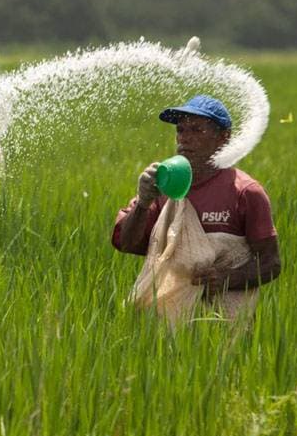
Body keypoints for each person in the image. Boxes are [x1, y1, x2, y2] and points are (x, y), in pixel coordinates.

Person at [112, 95, 280, 305]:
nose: (185, 138)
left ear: (223, 138)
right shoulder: (163, 186)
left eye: (197, 130)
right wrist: (143, 204)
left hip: (225, 316)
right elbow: (127, 244)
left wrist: (226, 278)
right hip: (167, 316)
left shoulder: (245, 192)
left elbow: (271, 263)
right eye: (181, 130)